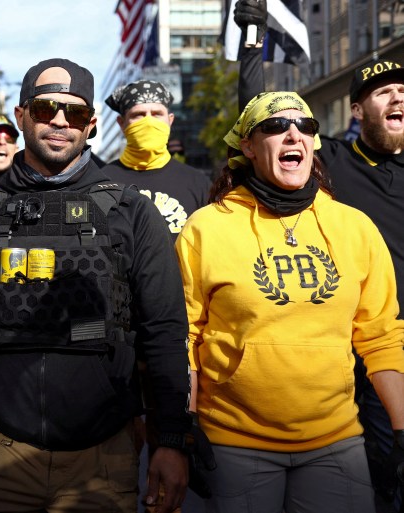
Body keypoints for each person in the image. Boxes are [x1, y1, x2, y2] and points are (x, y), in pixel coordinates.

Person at [0, 57, 192, 513]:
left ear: (91, 124)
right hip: (0, 451)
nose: (61, 121)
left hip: (102, 456)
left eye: (76, 112)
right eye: (46, 108)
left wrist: (171, 439)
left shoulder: (132, 214)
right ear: (22, 114)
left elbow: (164, 330)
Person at [175, 90, 404, 513]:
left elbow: (381, 336)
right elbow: (184, 336)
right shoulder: (206, 228)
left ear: (314, 142)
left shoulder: (354, 227)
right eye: (276, 125)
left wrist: (401, 428)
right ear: (247, 146)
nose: (293, 134)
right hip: (233, 445)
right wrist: (183, 427)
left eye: (305, 126)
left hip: (336, 441)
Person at [234, 1, 404, 508]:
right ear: (357, 110)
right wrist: (252, 39)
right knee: (375, 466)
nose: (398, 96)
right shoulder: (330, 160)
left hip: (393, 348)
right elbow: (260, 118)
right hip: (352, 344)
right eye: (383, 91)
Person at [101, 80, 210, 240]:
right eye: (138, 115)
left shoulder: (199, 184)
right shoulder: (101, 182)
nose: (149, 122)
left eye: (157, 114)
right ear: (121, 123)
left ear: (170, 120)